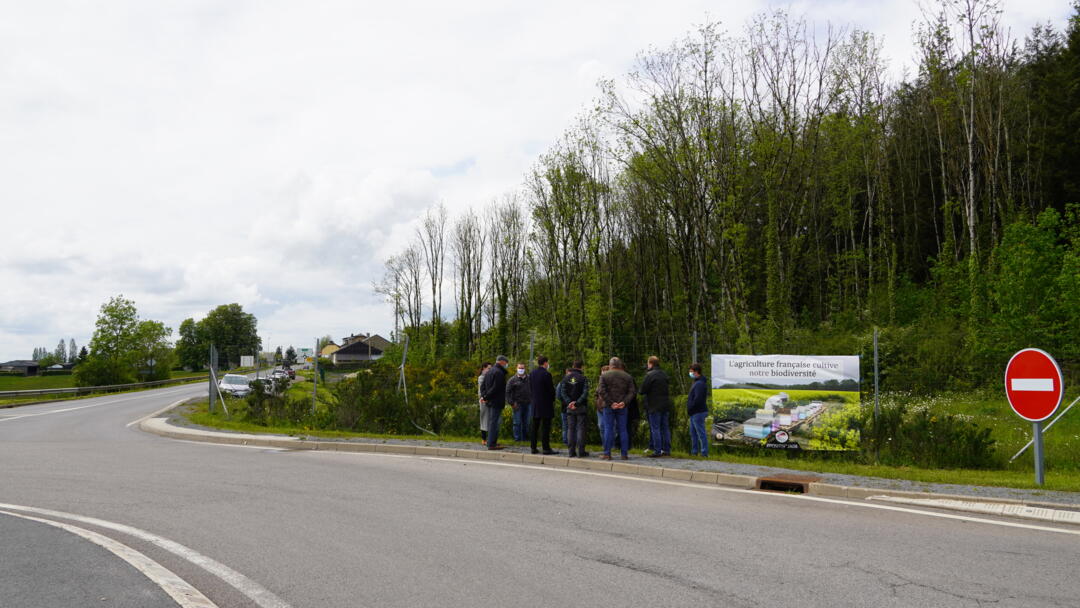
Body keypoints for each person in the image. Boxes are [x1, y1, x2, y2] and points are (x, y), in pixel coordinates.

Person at [597, 357, 636, 460]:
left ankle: (607, 453)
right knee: (623, 430)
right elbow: (632, 392)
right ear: (620, 365)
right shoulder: (628, 376)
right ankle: (624, 454)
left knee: (608, 429)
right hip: (622, 407)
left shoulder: (604, 376)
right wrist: (624, 402)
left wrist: (611, 403)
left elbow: (601, 391)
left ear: (610, 365)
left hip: (609, 407)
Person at [639, 356, 672, 457]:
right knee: (665, 428)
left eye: (648, 363)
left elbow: (642, 390)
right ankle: (666, 450)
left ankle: (657, 451)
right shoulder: (664, 374)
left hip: (654, 405)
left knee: (655, 428)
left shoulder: (649, 375)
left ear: (651, 364)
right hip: (665, 405)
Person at [528, 355, 558, 455]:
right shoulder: (546, 374)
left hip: (535, 403)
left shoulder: (532, 374)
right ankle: (546, 448)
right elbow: (550, 389)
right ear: (545, 363)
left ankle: (533, 447)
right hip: (545, 403)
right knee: (545, 427)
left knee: (535, 426)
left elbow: (530, 388)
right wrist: (553, 399)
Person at [480, 356, 509, 450]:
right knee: (494, 423)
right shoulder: (499, 373)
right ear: (501, 362)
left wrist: (485, 396)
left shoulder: (490, 371)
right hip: (496, 401)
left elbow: (483, 386)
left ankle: (492, 441)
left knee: (492, 422)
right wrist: (486, 396)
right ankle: (491, 444)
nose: (506, 364)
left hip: (490, 401)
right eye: (506, 362)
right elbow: (496, 388)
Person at [561, 360, 589, 457]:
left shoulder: (566, 378)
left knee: (570, 429)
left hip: (569, 407)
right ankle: (581, 451)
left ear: (573, 366)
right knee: (581, 428)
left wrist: (569, 402)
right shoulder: (583, 378)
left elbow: (562, 392)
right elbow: (585, 393)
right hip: (580, 406)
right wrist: (577, 403)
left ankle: (571, 451)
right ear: (582, 367)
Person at [506, 362, 532, 443]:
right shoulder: (512, 380)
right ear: (516, 368)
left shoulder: (530, 378)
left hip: (528, 404)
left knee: (526, 423)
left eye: (522, 368)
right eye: (519, 368)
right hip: (517, 404)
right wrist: (512, 403)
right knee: (517, 422)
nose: (521, 370)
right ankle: (517, 439)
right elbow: (507, 392)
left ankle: (525, 438)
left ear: (525, 369)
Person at [687, 362, 709, 457]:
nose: (690, 373)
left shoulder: (699, 384)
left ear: (696, 372)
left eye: (691, 371)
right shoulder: (697, 382)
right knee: (693, 433)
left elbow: (698, 399)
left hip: (698, 412)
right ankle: (694, 451)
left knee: (701, 433)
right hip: (694, 412)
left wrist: (691, 408)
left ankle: (704, 453)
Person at [477, 362, 492, 444]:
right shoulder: (481, 377)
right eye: (489, 368)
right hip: (483, 400)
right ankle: (483, 439)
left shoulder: (488, 377)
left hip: (489, 400)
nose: (490, 370)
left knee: (489, 419)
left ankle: (489, 438)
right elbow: (482, 391)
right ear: (484, 368)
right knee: (484, 419)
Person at [595, 364, 609, 444]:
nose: (602, 375)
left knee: (610, 427)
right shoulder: (599, 382)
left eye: (604, 373)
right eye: (602, 373)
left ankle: (611, 444)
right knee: (601, 426)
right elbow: (596, 394)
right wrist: (597, 402)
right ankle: (605, 444)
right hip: (600, 408)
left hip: (608, 407)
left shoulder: (611, 382)